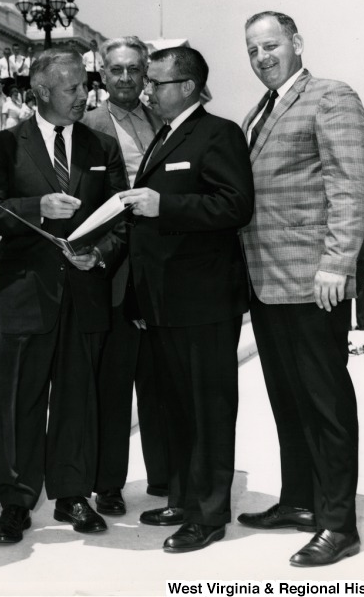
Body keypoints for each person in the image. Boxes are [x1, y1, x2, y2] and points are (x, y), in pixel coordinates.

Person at [0, 48, 128, 545]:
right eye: (72, 88)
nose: (85, 95)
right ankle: (16, 504)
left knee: (77, 399)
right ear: (40, 92)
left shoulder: (102, 147)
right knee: (19, 399)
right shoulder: (4, 146)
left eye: (85, 86)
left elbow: (121, 218)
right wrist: (35, 206)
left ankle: (71, 495)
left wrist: (100, 254)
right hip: (28, 294)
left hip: (84, 292)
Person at [238, 11, 364, 567]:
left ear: (296, 42)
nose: (263, 57)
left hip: (314, 281)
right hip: (267, 282)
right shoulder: (258, 111)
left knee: (325, 403)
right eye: (252, 50)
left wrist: (336, 264)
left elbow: (352, 182)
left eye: (271, 45)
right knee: (287, 400)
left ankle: (339, 524)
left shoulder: (330, 96)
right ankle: (299, 500)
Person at [120, 47, 254, 553]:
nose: (148, 91)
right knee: (176, 407)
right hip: (163, 301)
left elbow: (236, 204)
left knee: (208, 409)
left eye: (157, 82)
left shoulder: (218, 133)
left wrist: (164, 205)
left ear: (189, 86)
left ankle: (209, 513)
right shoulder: (166, 135)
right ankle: (183, 495)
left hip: (203, 301)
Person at [81, 36, 168, 517]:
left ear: (146, 72)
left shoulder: (164, 120)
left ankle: (163, 475)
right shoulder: (88, 124)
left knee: (159, 382)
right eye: (116, 70)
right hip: (111, 269)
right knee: (111, 387)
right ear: (103, 72)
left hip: (158, 270)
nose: (126, 78)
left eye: (135, 69)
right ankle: (108, 483)